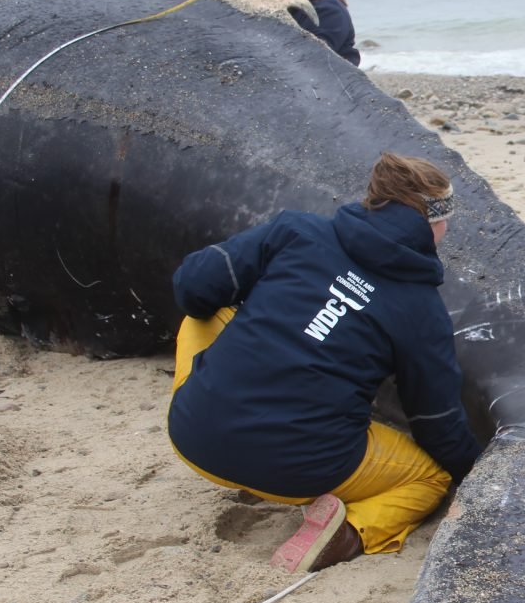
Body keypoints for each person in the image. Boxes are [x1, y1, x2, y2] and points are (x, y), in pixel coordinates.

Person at [167, 153, 480, 573]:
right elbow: (435, 421)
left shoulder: (297, 231)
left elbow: (193, 285)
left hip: (193, 437)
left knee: (204, 315)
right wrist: (473, 473)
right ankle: (349, 533)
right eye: (445, 221)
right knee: (430, 479)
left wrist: (282, 315)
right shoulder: (421, 309)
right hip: (299, 470)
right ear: (432, 224)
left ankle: (229, 420)